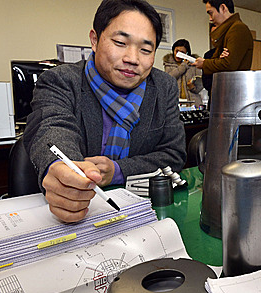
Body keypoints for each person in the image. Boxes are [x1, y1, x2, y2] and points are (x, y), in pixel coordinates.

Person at [23, 0, 186, 223]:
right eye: (120, 42)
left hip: (141, 213)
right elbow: (53, 129)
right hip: (76, 214)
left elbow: (173, 154)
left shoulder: (163, 86)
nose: (132, 59)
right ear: (95, 40)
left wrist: (117, 170)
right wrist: (64, 171)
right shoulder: (62, 80)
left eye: (146, 50)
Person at [193, 0, 254, 81]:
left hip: (235, 87)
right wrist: (219, 60)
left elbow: (229, 64)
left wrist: (204, 63)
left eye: (211, 13)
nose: (210, 19)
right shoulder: (227, 31)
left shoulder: (238, 28)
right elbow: (219, 61)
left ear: (223, 8)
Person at [163, 39, 204, 107]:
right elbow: (168, 79)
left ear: (187, 53)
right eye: (177, 51)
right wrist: (183, 66)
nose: (178, 54)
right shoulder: (168, 64)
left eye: (182, 52)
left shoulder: (194, 64)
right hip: (175, 104)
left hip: (193, 103)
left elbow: (201, 84)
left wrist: (192, 87)